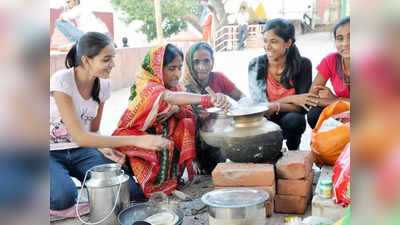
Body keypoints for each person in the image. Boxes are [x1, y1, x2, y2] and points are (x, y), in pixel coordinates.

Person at [50, 32, 171, 210]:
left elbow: (93, 130)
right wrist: (138, 140)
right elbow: (81, 136)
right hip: (50, 152)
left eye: (113, 58)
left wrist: (104, 148)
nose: (112, 65)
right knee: (63, 197)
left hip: (81, 152)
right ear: (86, 60)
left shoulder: (103, 85)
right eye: (106, 59)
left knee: (129, 190)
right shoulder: (62, 81)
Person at [112, 44, 231, 197]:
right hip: (135, 140)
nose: (177, 74)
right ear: (158, 69)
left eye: (180, 68)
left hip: (161, 140)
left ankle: (167, 181)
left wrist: (176, 109)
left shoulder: (177, 88)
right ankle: (135, 175)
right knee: (135, 193)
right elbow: (167, 97)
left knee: (186, 124)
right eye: (171, 68)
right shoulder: (148, 86)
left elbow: (188, 111)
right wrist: (209, 99)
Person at [248, 18, 318, 151]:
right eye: (265, 41)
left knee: (295, 120)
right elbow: (259, 105)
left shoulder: (303, 65)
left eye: (273, 41)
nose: (267, 46)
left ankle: (293, 152)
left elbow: (303, 107)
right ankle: (272, 151)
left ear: (288, 43)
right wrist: (291, 99)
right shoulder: (256, 64)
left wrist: (275, 106)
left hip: (289, 120)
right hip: (264, 120)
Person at [182, 41, 245, 174]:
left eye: (206, 61)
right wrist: (197, 115)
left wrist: (231, 107)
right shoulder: (184, 87)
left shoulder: (218, 78)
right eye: (196, 62)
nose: (202, 67)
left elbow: (243, 98)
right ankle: (194, 160)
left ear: (212, 61)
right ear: (189, 63)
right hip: (197, 140)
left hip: (218, 133)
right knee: (211, 168)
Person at [306, 17, 350, 129]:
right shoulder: (331, 60)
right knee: (314, 114)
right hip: (344, 111)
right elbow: (312, 95)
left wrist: (335, 100)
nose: (345, 43)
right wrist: (328, 100)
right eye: (340, 38)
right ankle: (335, 144)